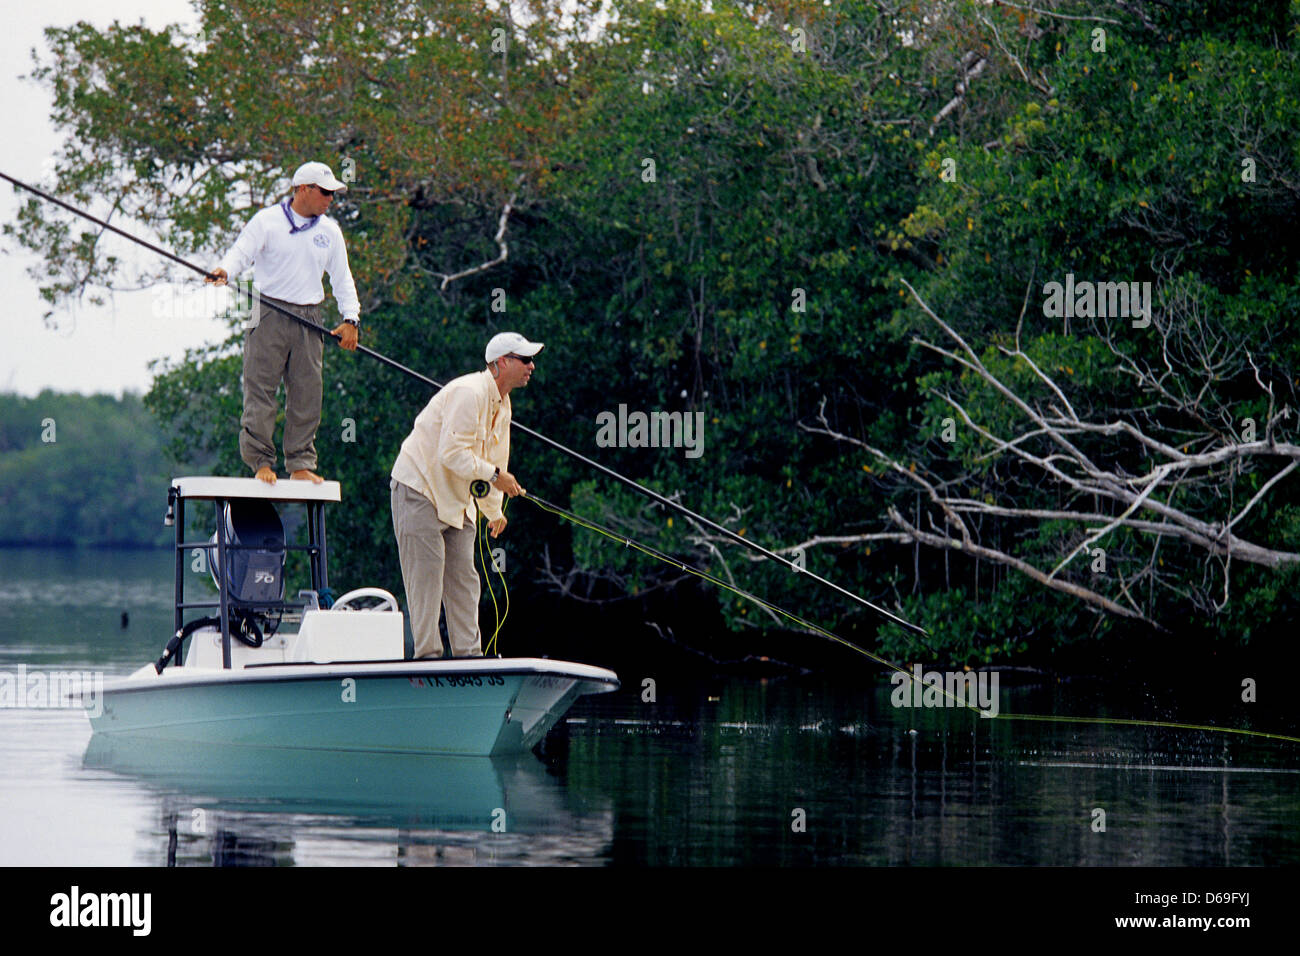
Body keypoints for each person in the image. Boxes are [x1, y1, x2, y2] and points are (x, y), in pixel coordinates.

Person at [206, 161, 361, 484]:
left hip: (310, 316)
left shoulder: (329, 231)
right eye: (325, 192)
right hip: (267, 310)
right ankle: (261, 460)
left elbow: (342, 278)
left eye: (333, 193)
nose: (330, 199)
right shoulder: (267, 221)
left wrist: (351, 319)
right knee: (260, 388)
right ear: (303, 189)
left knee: (307, 391)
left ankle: (301, 463)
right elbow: (241, 252)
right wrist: (224, 271)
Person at [389, 333, 541, 659]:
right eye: (524, 359)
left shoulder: (504, 405)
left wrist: (494, 511)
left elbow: (495, 460)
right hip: (420, 488)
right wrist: (498, 478)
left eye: (531, 360)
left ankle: (469, 660)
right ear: (501, 363)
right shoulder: (469, 392)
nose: (531, 365)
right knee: (426, 579)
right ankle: (427, 659)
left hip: (458, 501)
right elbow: (452, 454)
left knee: (466, 582)